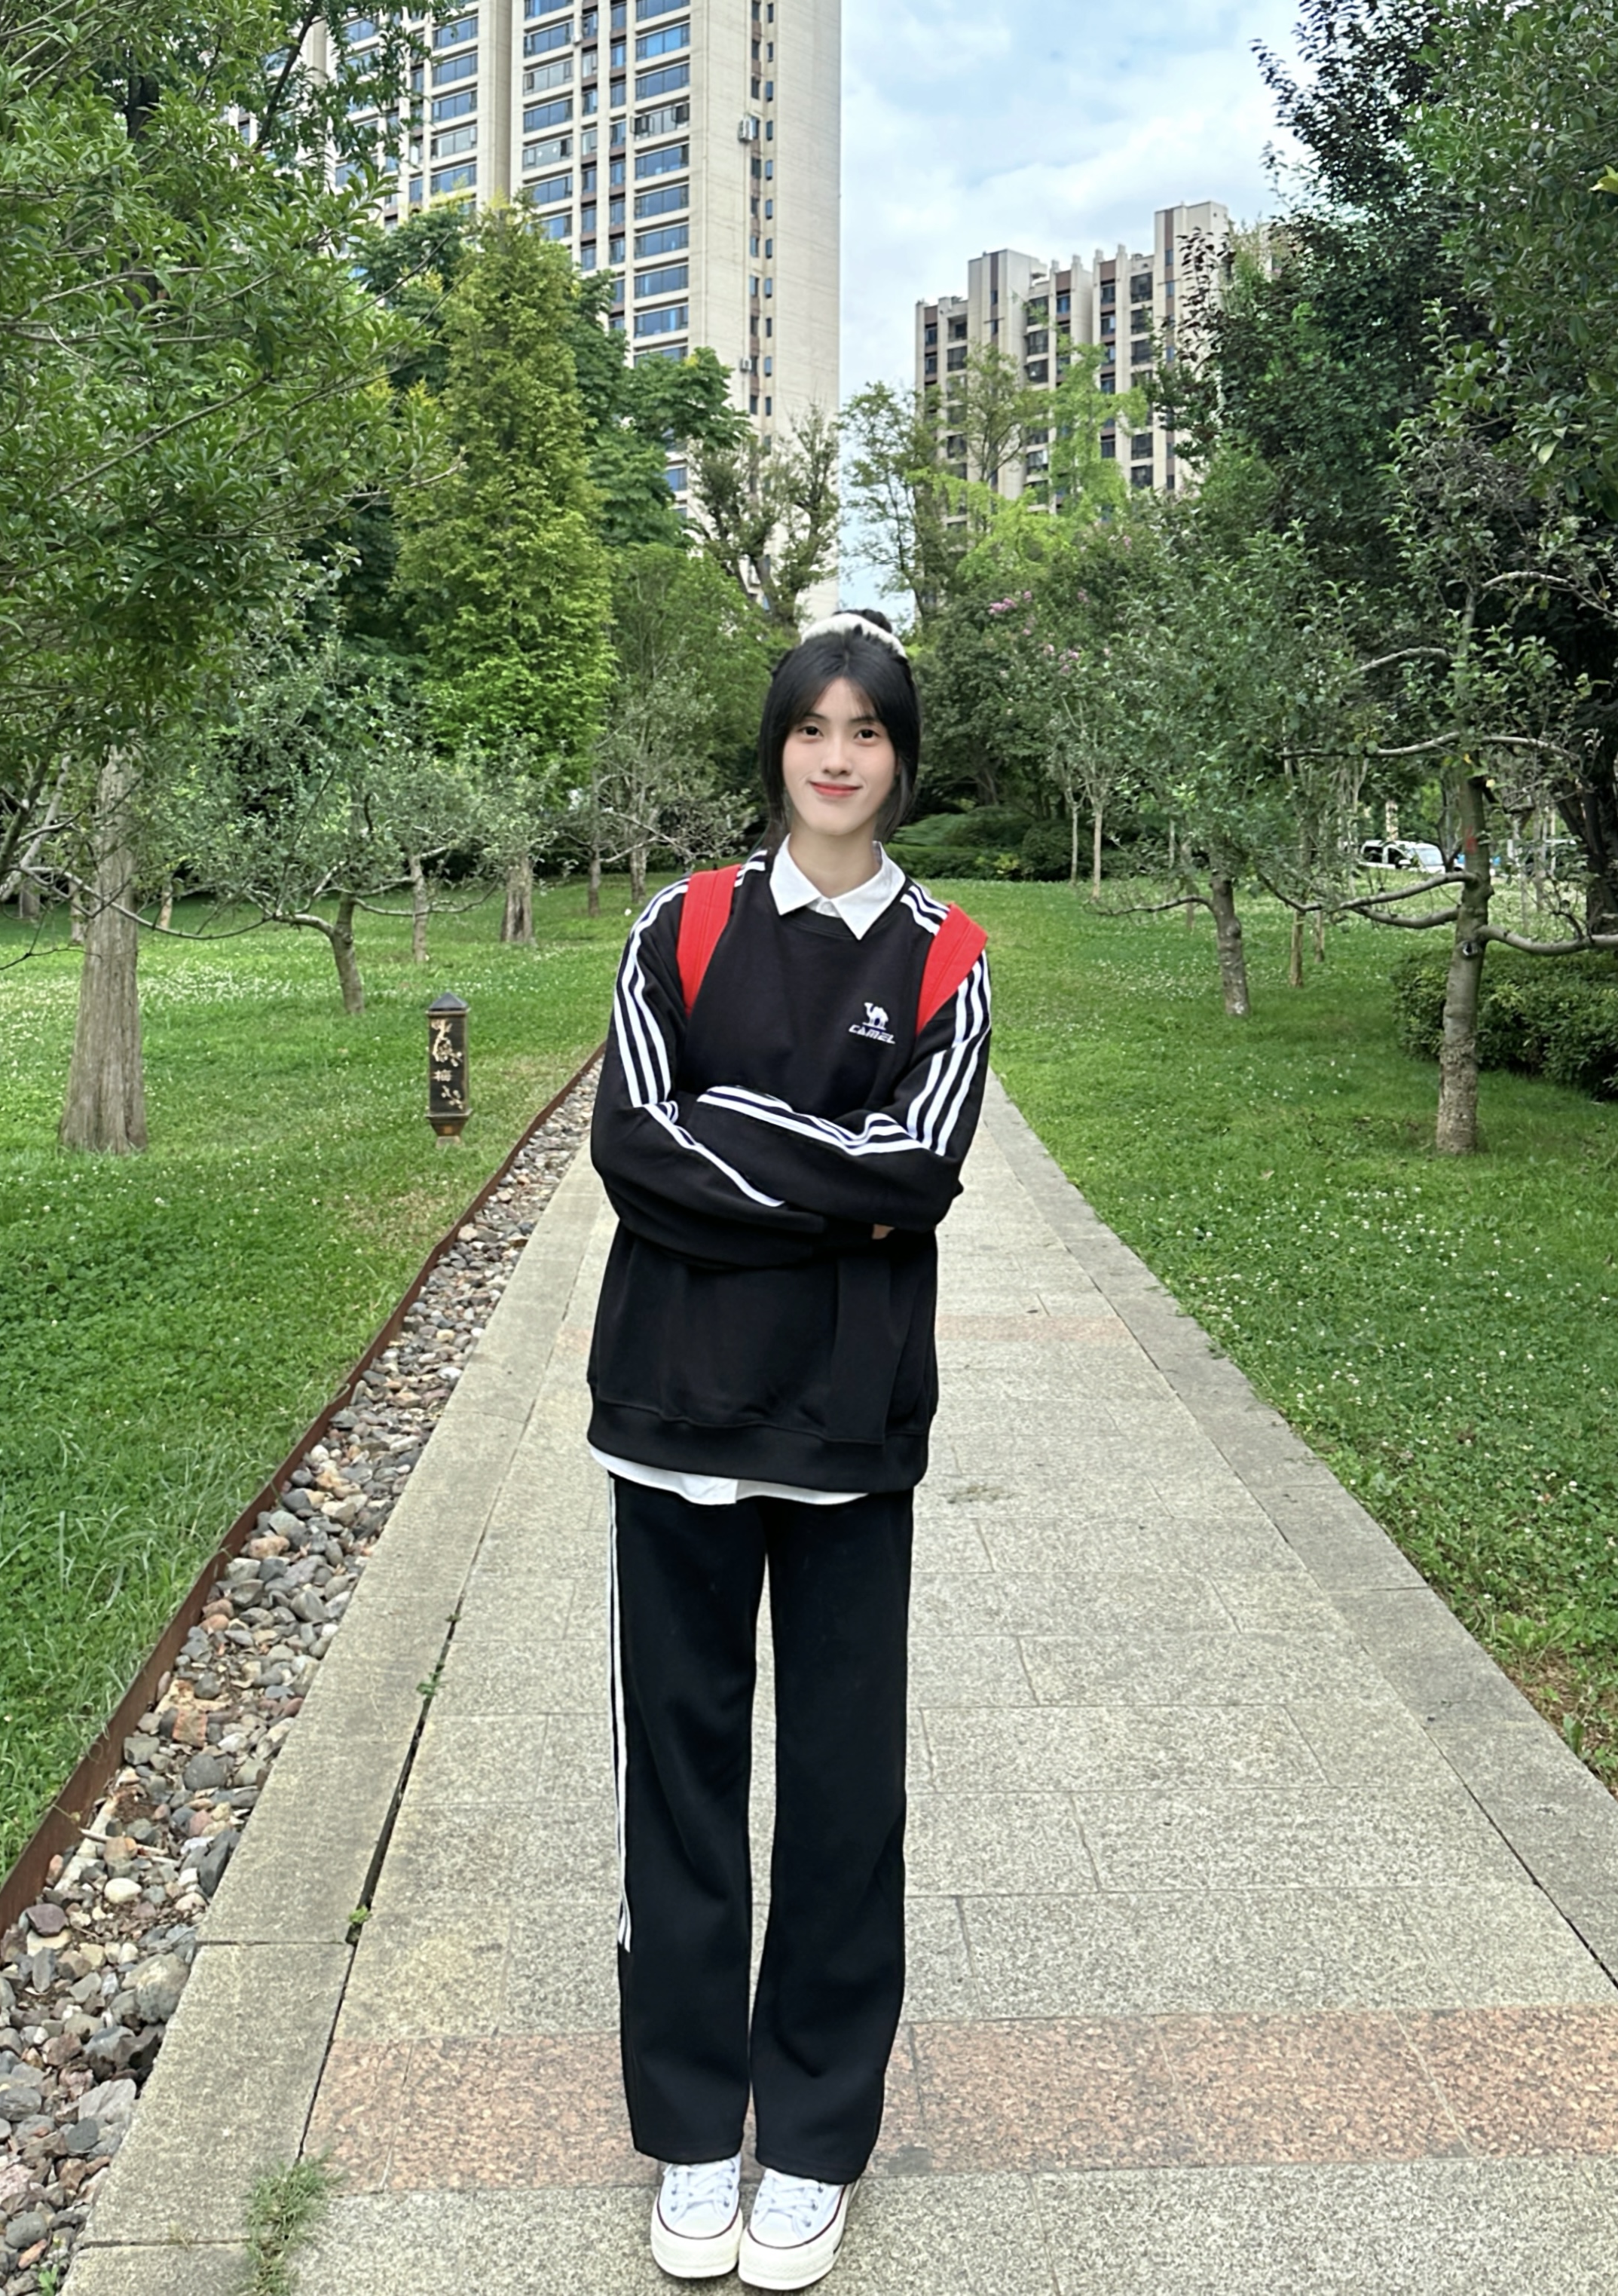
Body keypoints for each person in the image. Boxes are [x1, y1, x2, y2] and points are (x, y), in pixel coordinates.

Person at [585, 608, 992, 2288]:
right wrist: (827, 1178)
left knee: (841, 1797)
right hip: (670, 1421)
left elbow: (920, 1173)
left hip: (847, 1434)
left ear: (900, 756)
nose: (838, 756)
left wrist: (734, 1148)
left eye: (867, 729)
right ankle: (692, 2131)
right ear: (776, 746)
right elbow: (632, 1143)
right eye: (813, 727)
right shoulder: (677, 925)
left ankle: (812, 2138)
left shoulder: (948, 959)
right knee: (677, 1790)